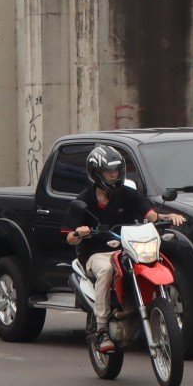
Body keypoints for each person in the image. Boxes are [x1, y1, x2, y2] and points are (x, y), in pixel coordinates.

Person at [64, 144, 185, 353]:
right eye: (108, 171)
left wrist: (169, 217)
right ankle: (101, 328)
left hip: (126, 248)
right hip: (96, 253)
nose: (113, 175)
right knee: (107, 269)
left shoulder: (128, 194)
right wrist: (79, 233)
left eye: (116, 170)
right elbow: (69, 238)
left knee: (156, 261)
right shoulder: (83, 200)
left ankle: (161, 310)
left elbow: (152, 216)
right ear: (95, 173)